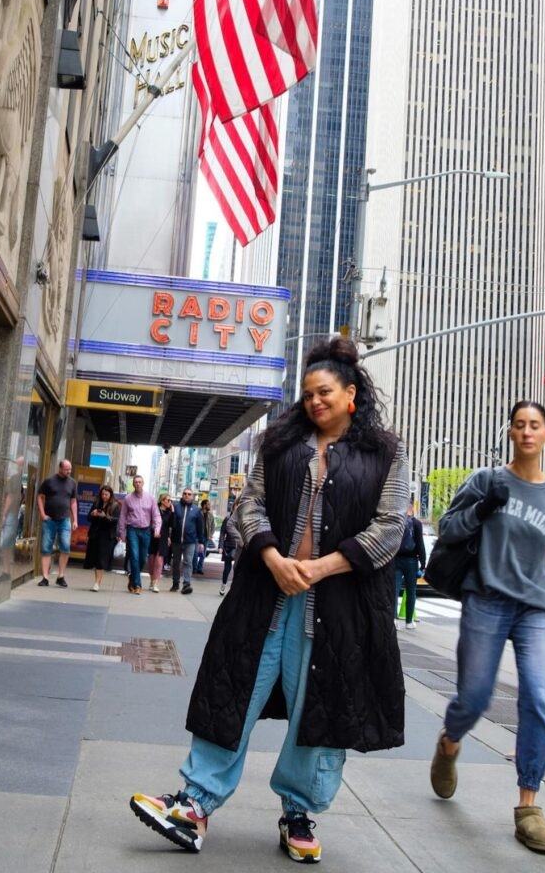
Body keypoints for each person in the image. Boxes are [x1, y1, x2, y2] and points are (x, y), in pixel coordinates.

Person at [130, 337, 408, 861]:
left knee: (319, 711)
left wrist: (322, 567)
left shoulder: (386, 452)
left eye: (324, 392)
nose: (314, 402)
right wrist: (275, 559)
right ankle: (194, 805)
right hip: (266, 596)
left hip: (339, 612)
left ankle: (298, 813)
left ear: (351, 394)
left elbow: (391, 528)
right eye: (307, 394)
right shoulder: (279, 444)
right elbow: (247, 507)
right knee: (233, 689)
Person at [429, 401, 545, 855]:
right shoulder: (486, 481)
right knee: (474, 697)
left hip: (538, 606)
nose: (527, 432)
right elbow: (447, 527)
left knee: (537, 695)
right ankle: (450, 741)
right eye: (519, 425)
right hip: (487, 599)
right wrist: (482, 509)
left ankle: (528, 806)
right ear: (510, 433)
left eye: (535, 426)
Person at [117, 474, 161, 595]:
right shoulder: (128, 499)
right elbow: (123, 516)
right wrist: (122, 533)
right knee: (134, 557)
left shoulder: (150, 498)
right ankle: (137, 584)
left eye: (140, 482)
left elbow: (156, 515)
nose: (137, 484)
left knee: (142, 558)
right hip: (132, 530)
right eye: (135, 482)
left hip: (146, 531)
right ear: (133, 484)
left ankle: (132, 577)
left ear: (143, 483)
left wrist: (157, 528)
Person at [37, 459, 77, 587]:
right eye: (66, 469)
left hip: (65, 519)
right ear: (60, 468)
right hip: (49, 520)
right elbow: (39, 496)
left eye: (70, 469)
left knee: (65, 547)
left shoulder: (72, 483)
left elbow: (73, 501)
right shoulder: (49, 481)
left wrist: (75, 519)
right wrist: (42, 514)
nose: (69, 472)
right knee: (46, 548)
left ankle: (61, 576)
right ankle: (45, 577)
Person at [394, 502, 426, 629]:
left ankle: (394, 619)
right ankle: (409, 621)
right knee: (411, 591)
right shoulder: (416, 523)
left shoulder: (397, 522)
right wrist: (423, 564)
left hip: (396, 559)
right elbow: (420, 544)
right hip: (412, 561)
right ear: (412, 509)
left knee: (394, 591)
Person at [83, 485, 121, 591]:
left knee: (101, 559)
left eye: (106, 494)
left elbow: (114, 521)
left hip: (107, 535)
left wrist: (104, 516)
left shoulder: (115, 505)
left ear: (110, 495)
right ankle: (97, 581)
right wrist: (93, 514)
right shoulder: (96, 503)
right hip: (95, 534)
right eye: (103, 494)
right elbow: (88, 518)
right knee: (95, 558)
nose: (104, 496)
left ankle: (97, 583)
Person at [172, 489, 205, 595]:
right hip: (176, 540)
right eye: (185, 494)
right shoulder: (176, 507)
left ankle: (186, 584)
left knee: (188, 562)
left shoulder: (196, 510)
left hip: (190, 541)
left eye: (189, 494)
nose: (186, 495)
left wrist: (201, 542)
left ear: (192, 497)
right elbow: (170, 522)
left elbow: (200, 527)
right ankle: (175, 583)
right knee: (176, 562)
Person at [148, 493, 176, 592]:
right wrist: (153, 531)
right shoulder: (155, 510)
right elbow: (149, 522)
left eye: (170, 500)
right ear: (162, 501)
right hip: (153, 537)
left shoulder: (169, 512)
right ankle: (152, 580)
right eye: (168, 500)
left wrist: (172, 512)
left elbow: (172, 525)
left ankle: (155, 583)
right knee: (151, 561)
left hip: (163, 538)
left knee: (159, 562)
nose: (170, 502)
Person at [218, 508, 239, 595]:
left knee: (237, 568)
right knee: (227, 568)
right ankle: (224, 584)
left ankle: (235, 587)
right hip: (228, 546)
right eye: (236, 506)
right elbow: (222, 533)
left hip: (239, 546)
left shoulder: (243, 518)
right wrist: (220, 546)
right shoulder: (227, 518)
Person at [194, 499, 214, 575]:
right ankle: (194, 568)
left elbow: (213, 526)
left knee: (203, 554)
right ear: (204, 505)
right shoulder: (198, 513)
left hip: (206, 537)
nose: (210, 506)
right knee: (195, 553)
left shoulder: (210, 515)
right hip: (197, 536)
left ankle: (200, 568)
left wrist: (210, 535)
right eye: (208, 504)